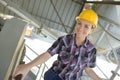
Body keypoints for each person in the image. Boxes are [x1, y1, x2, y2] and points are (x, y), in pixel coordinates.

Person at [14, 9, 102, 80]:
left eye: (86, 26)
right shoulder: (64, 40)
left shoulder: (91, 50)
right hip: (53, 76)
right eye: (79, 23)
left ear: (91, 30)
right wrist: (27, 67)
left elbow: (88, 69)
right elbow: (47, 55)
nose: (80, 28)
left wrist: (98, 79)